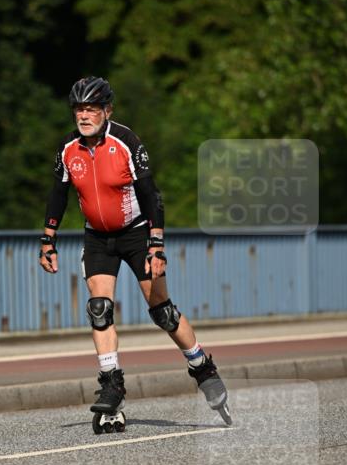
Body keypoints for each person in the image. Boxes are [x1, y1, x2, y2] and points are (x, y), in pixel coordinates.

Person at [38, 75, 230, 426]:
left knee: (162, 312)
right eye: (78, 109)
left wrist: (156, 243)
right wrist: (48, 239)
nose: (83, 116)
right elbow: (58, 194)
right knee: (99, 308)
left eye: (91, 109)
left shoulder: (126, 142)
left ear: (107, 110)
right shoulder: (68, 149)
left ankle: (202, 366)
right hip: (97, 237)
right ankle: (111, 383)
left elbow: (150, 194)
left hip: (136, 233)